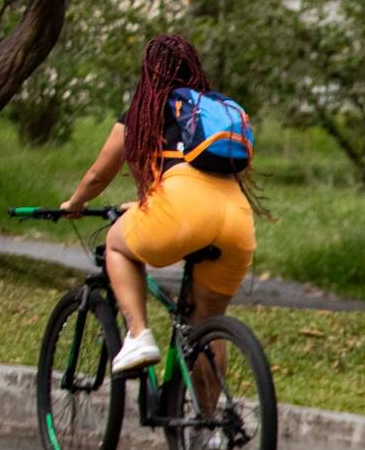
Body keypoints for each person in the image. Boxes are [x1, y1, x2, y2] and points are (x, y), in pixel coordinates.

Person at [61, 34, 256, 375]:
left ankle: (138, 335)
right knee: (208, 327)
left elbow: (97, 176)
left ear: (149, 73)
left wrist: (74, 203)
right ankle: (211, 426)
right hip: (237, 218)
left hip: (181, 213)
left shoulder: (145, 113)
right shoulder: (209, 114)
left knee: (117, 246)